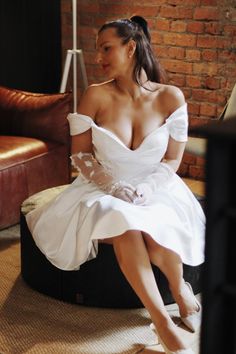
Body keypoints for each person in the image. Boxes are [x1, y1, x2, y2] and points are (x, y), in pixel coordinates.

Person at [26, 16, 205, 354]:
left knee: (154, 229)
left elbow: (171, 160)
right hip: (102, 187)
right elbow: (80, 157)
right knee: (124, 223)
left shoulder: (170, 97)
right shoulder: (95, 95)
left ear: (131, 47)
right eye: (98, 50)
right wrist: (113, 186)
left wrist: (150, 188)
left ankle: (180, 288)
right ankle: (163, 323)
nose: (99, 58)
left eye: (106, 48)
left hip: (156, 185)